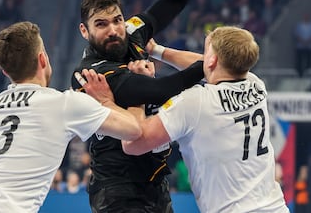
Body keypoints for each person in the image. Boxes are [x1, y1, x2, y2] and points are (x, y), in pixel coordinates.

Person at [0, 21, 142, 213]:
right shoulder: (62, 104)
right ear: (42, 59)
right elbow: (134, 129)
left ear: (5, 71)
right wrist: (112, 98)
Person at [71, 0, 204, 212]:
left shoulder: (132, 33)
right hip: (117, 189)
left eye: (117, 20)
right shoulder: (90, 74)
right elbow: (159, 90)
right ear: (84, 31)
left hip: (155, 183)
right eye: (101, 24)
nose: (113, 30)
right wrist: (210, 62)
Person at [121, 26, 290, 213]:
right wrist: (157, 50)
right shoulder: (255, 85)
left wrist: (137, 89)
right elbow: (204, 64)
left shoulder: (195, 102)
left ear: (213, 59)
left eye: (206, 51)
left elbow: (132, 144)